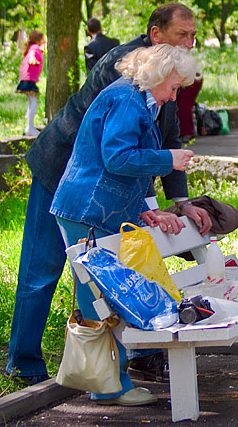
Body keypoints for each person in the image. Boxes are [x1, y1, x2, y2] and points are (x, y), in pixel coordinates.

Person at [6, 3, 212, 387]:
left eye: (193, 35)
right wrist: (150, 185)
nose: (190, 41)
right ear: (156, 37)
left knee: (108, 277)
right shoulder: (128, 69)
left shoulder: (165, 79)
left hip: (106, 189)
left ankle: (130, 363)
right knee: (47, 271)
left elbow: (161, 139)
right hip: (68, 174)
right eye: (183, 35)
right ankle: (27, 365)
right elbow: (118, 150)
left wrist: (161, 205)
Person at [51, 44, 200, 406]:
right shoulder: (126, 99)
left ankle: (111, 383)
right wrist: (169, 158)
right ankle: (108, 388)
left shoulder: (136, 97)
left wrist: (144, 210)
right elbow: (117, 158)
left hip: (102, 209)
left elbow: (128, 169)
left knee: (107, 296)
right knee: (98, 299)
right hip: (88, 210)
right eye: (175, 87)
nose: (174, 95)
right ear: (159, 75)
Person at [16, 30, 45, 136]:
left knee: (31, 102)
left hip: (27, 79)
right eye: (42, 38)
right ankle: (30, 128)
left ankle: (29, 127)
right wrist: (33, 58)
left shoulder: (30, 48)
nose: (44, 40)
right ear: (38, 39)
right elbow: (33, 54)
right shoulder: (34, 48)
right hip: (29, 80)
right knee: (34, 103)